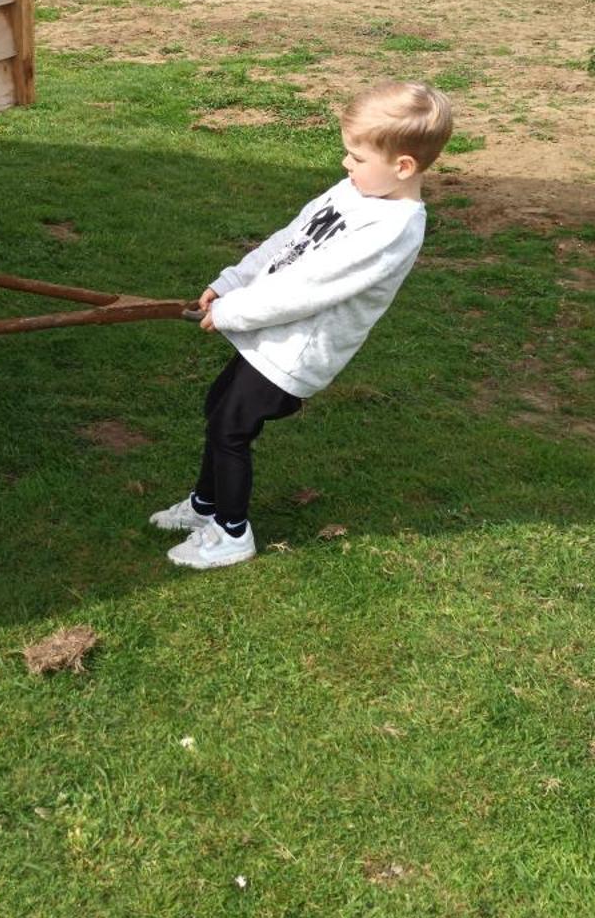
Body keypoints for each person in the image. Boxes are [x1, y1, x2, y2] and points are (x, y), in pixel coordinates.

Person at [154, 80, 454, 569]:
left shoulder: (391, 230)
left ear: (403, 167)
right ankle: (205, 505)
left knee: (231, 428)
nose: (346, 165)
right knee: (219, 409)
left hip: (296, 350)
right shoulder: (356, 191)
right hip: (269, 332)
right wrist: (231, 282)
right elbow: (288, 242)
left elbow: (307, 288)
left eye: (356, 157)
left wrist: (231, 313)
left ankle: (231, 533)